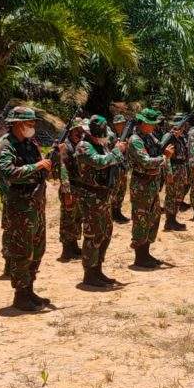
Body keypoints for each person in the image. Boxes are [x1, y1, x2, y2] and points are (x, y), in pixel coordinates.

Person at [0, 106, 52, 312]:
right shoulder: (6, 145)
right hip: (20, 205)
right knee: (22, 250)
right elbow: (8, 172)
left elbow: (42, 166)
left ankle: (29, 289)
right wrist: (37, 166)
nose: (33, 126)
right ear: (18, 124)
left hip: (35, 203)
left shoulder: (30, 143)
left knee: (37, 248)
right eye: (30, 122)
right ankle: (20, 295)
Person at [73, 115, 125, 287]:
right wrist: (117, 152)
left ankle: (98, 268)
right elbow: (100, 162)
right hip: (91, 197)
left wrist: (117, 153)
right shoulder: (84, 146)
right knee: (93, 234)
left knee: (105, 233)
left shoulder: (101, 145)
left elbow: (115, 162)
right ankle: (89, 273)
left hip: (103, 196)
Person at [127, 107, 173, 267]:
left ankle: (146, 253)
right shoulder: (135, 140)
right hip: (141, 184)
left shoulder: (149, 136)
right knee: (141, 219)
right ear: (143, 123)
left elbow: (160, 146)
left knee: (153, 218)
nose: (154, 126)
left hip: (152, 183)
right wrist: (164, 158)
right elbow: (146, 161)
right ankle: (140, 257)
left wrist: (172, 136)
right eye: (151, 123)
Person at [52, 117, 84, 262]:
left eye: (82, 130)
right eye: (78, 130)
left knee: (77, 218)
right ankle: (67, 249)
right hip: (69, 187)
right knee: (67, 219)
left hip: (79, 187)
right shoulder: (65, 146)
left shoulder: (80, 144)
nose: (81, 132)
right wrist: (66, 191)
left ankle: (74, 245)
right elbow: (63, 169)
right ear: (72, 131)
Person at [161, 113, 192, 232]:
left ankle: (173, 219)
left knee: (178, 196)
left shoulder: (181, 137)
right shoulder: (169, 137)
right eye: (182, 125)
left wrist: (186, 172)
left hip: (181, 169)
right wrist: (168, 173)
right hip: (173, 169)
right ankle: (169, 221)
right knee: (171, 196)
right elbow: (165, 156)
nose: (184, 128)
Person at [109, 114, 130, 223]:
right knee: (114, 190)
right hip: (115, 167)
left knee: (122, 190)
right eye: (117, 124)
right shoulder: (111, 136)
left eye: (121, 124)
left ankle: (118, 211)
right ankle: (111, 212)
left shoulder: (126, 136)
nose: (119, 126)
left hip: (123, 167)